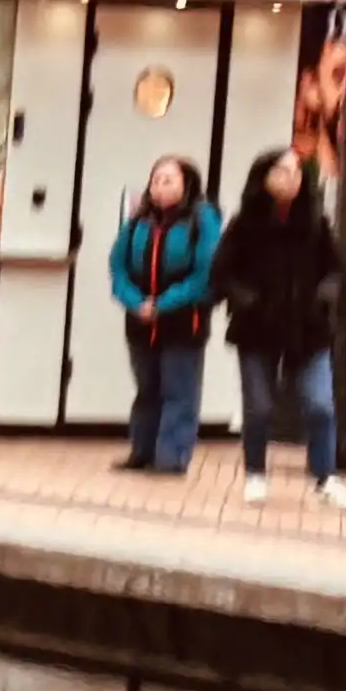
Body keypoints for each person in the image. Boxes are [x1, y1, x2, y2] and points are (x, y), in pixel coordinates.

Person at [211, 145, 346, 509]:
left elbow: (335, 269)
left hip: (307, 328)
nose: (291, 178)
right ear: (264, 177)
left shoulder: (315, 223)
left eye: (296, 171)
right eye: (282, 171)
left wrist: (325, 294)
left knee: (320, 405)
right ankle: (256, 473)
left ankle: (326, 477)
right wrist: (248, 300)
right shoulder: (245, 225)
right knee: (258, 406)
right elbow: (222, 273)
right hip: (257, 328)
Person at [102, 150, 215, 477]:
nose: (160, 187)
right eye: (156, 180)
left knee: (178, 390)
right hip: (140, 322)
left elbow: (204, 273)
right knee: (147, 389)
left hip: (182, 321)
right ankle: (142, 451)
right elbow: (117, 266)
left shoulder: (202, 218)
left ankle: (172, 457)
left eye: (169, 180)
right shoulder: (138, 219)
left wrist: (162, 304)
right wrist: (136, 302)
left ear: (187, 183)